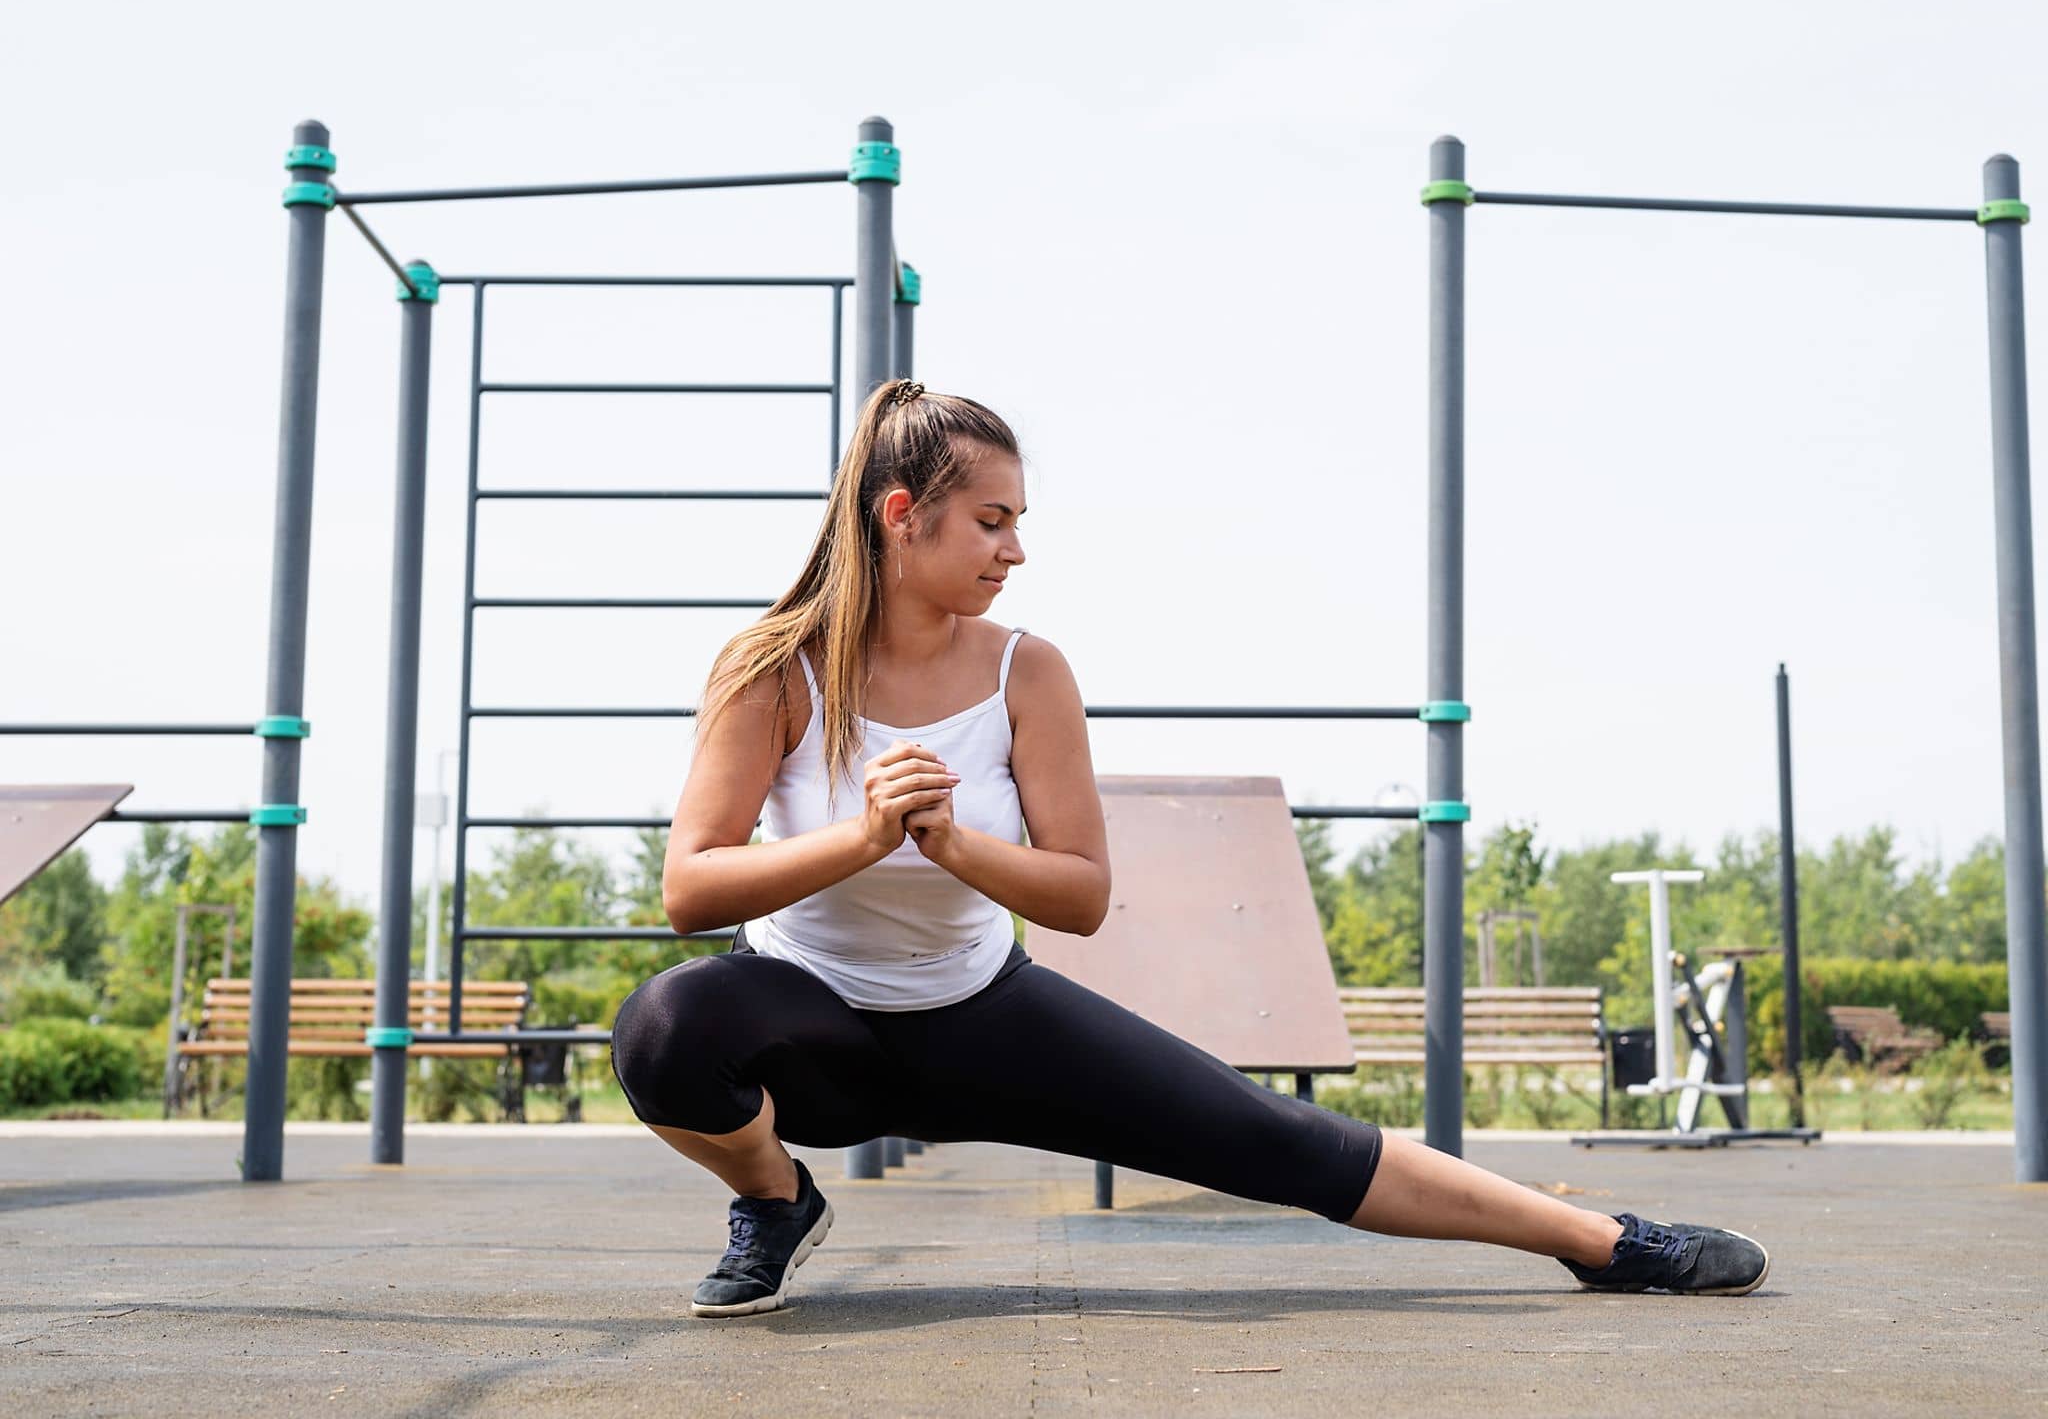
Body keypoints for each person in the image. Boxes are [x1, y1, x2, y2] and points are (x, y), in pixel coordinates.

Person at [610, 379, 1769, 1317]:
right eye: (991, 521)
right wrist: (862, 838)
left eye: (1019, 523)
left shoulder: (1028, 671)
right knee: (666, 1025)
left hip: (983, 1015)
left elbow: (1077, 897)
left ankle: (1607, 1242)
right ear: (899, 513)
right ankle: (775, 1202)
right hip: (813, 1032)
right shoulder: (772, 669)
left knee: (1278, 1140)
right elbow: (690, 884)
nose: (1014, 551)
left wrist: (954, 845)